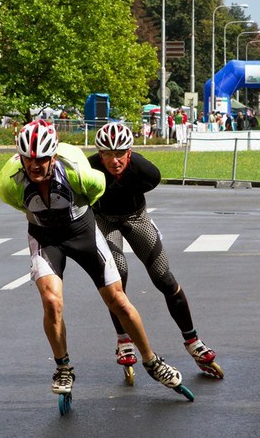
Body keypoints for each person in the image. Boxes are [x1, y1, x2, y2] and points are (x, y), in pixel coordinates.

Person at [0, 120, 185, 397]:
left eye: (42, 159)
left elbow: (96, 192)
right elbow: (17, 203)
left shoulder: (78, 171)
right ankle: (63, 367)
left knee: (118, 300)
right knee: (51, 301)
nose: (35, 165)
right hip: (45, 236)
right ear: (21, 158)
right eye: (29, 159)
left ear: (53, 157)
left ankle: (152, 360)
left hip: (81, 232)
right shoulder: (8, 182)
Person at [87, 122, 223, 379]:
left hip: (136, 217)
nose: (114, 160)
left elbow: (149, 183)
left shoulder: (146, 170)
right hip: (104, 220)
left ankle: (193, 340)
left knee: (164, 278)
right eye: (107, 154)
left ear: (129, 153)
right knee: (117, 279)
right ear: (99, 154)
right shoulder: (88, 168)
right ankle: (123, 339)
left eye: (120, 153)